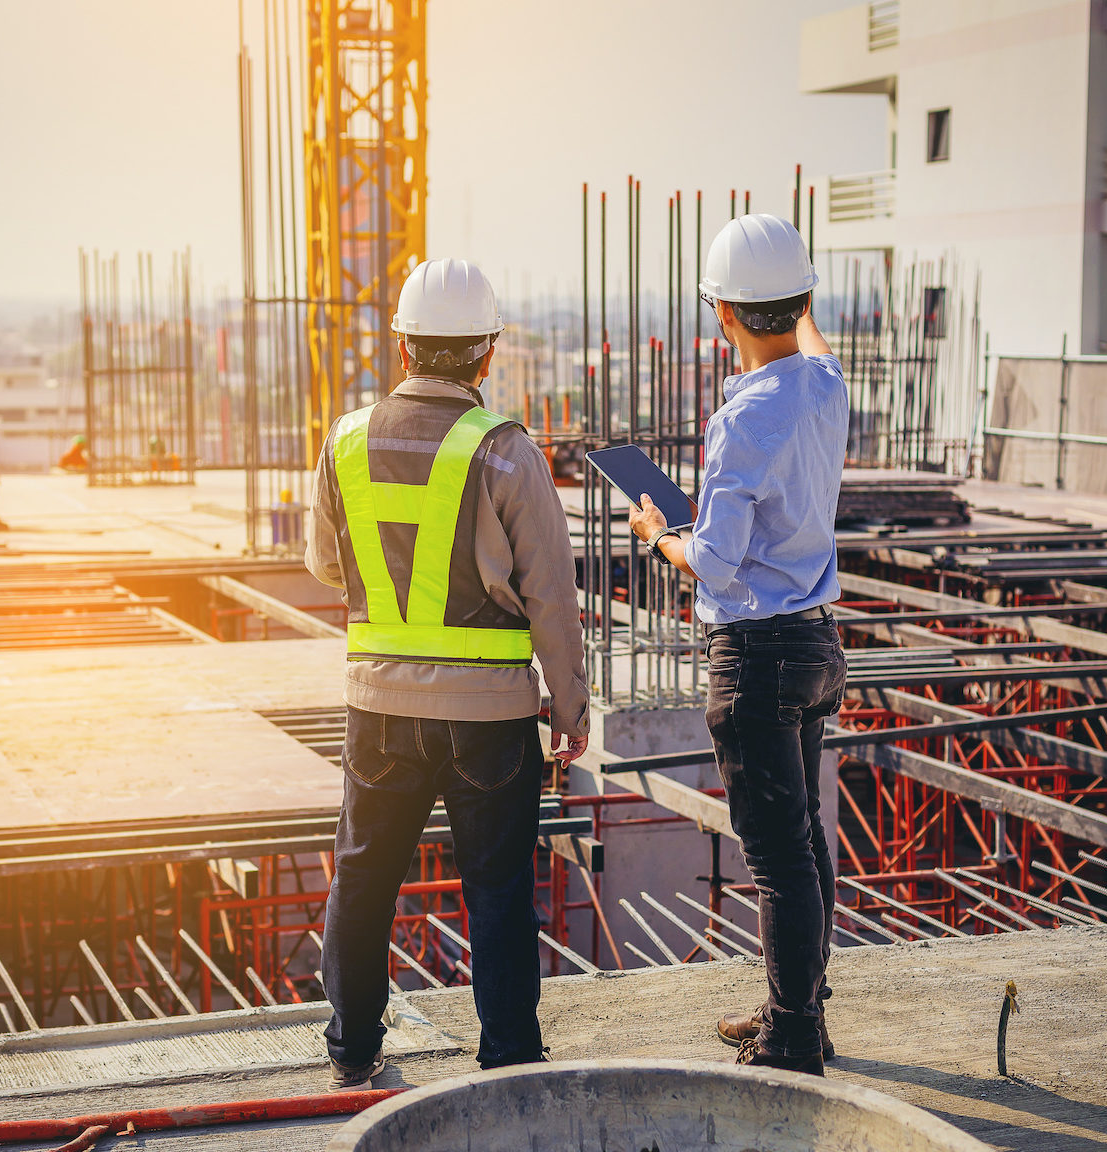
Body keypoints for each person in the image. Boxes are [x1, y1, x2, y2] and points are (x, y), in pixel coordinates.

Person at [306, 258, 589, 1086]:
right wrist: (568, 707)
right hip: (489, 717)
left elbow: (327, 565)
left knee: (362, 876)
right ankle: (507, 1057)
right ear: (486, 353)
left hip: (378, 707)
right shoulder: (505, 452)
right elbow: (551, 597)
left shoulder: (346, 439)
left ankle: (352, 1048)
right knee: (497, 891)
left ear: (402, 344)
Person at [627, 214, 849, 1076]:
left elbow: (715, 568)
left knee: (778, 857)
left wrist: (655, 530)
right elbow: (813, 344)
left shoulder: (744, 417)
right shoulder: (825, 387)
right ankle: (799, 1010)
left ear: (720, 314)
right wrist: (795, 300)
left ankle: (792, 1036)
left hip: (756, 654)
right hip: (815, 644)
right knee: (802, 842)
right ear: (799, 303)